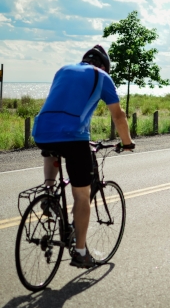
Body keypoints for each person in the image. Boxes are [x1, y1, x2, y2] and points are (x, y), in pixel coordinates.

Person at [32, 45, 135, 269]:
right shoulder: (102, 77)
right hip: (73, 137)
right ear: (103, 66)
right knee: (81, 194)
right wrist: (127, 143)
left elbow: (61, 102)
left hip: (41, 130)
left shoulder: (63, 70)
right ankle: (80, 252)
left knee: (53, 149)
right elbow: (118, 115)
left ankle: (49, 193)